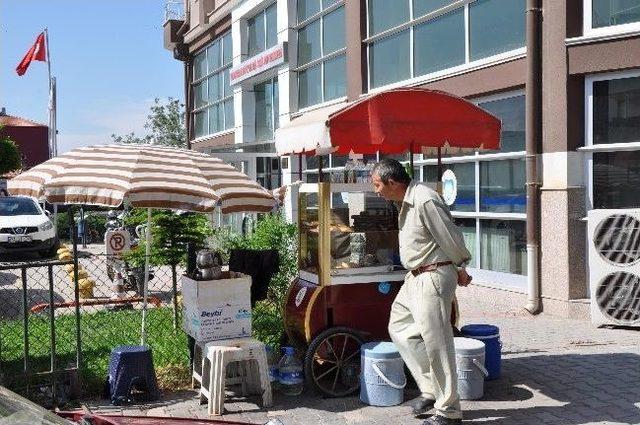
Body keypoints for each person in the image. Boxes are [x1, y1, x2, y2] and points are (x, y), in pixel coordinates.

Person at [371, 158, 472, 425]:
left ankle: (449, 410)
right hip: (414, 276)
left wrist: (461, 266)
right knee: (399, 326)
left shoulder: (425, 199)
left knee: (437, 343)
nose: (376, 191)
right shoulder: (405, 201)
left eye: (377, 185)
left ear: (392, 182)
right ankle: (431, 389)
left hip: (433, 275)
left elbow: (449, 235)